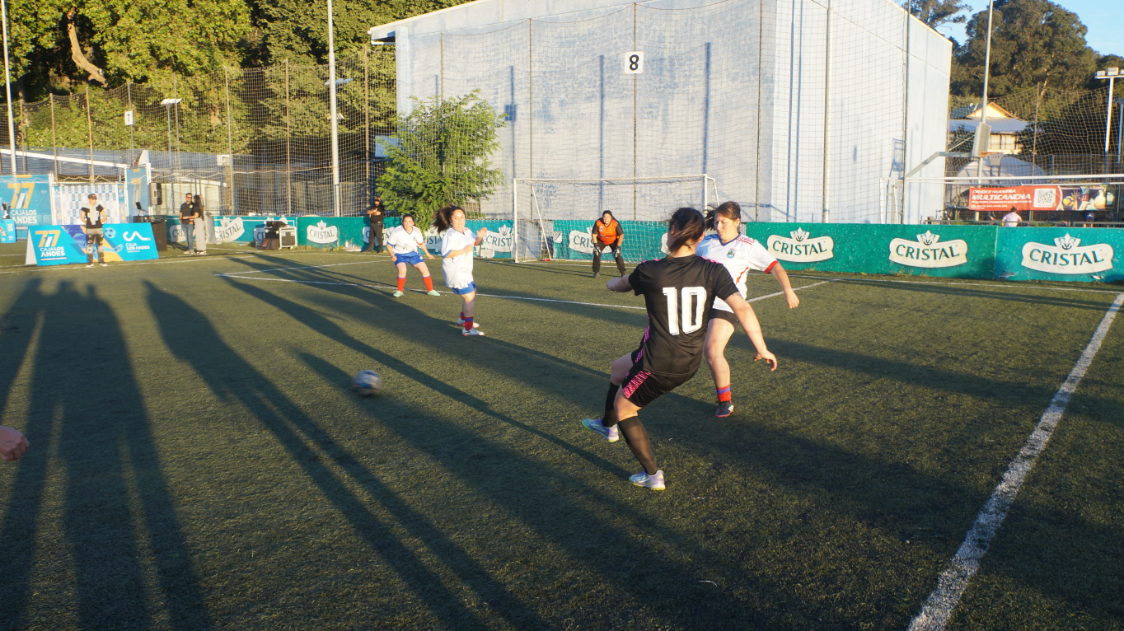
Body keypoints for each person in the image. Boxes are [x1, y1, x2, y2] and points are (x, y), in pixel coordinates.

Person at [581, 207, 778, 490]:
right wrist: (762, 347)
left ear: (672, 230)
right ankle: (607, 426)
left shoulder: (651, 269)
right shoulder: (714, 270)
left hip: (659, 362)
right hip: (688, 359)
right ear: (701, 238)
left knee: (624, 408)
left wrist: (610, 284)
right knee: (617, 370)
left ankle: (652, 475)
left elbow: (621, 284)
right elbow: (742, 308)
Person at [697, 201, 798, 418]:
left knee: (712, 350)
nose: (719, 226)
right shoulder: (706, 242)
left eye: (724, 222)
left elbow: (776, 267)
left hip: (726, 306)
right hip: (698, 305)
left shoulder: (748, 246)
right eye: (716, 222)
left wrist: (788, 290)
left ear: (737, 222)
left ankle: (725, 401)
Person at [434, 205, 487, 337]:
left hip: (465, 270)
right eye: (456, 218)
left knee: (473, 292)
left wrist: (480, 236)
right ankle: (468, 328)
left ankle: (463, 319)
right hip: (456, 271)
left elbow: (476, 243)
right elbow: (446, 253)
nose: (459, 220)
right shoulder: (450, 235)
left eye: (462, 217)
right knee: (470, 297)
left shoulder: (466, 231)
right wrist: (464, 250)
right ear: (450, 220)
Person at [387, 213, 441, 297]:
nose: (407, 224)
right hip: (399, 254)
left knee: (424, 269)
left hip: (413, 254)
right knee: (402, 270)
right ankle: (399, 291)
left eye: (410, 222)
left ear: (413, 223)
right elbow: (389, 245)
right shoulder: (397, 231)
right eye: (405, 221)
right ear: (403, 222)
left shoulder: (416, 231)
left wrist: (427, 253)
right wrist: (392, 255)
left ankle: (430, 290)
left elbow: (421, 243)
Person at [590, 210, 626, 278]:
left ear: (611, 217)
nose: (606, 219)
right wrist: (595, 245)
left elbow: (621, 235)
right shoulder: (598, 222)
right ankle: (596, 272)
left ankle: (623, 272)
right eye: (604, 217)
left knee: (617, 254)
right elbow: (593, 233)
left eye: (608, 217)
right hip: (601, 240)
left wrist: (618, 246)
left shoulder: (615, 223)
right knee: (596, 253)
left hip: (613, 240)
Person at [80, 193, 108, 267]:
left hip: (98, 228)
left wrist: (99, 223)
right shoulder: (85, 207)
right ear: (89, 199)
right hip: (90, 229)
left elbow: (105, 216)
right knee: (89, 245)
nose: (94, 201)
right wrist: (88, 223)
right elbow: (82, 217)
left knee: (100, 244)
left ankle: (101, 261)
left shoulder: (99, 206)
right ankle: (90, 262)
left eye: (95, 199)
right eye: (92, 199)